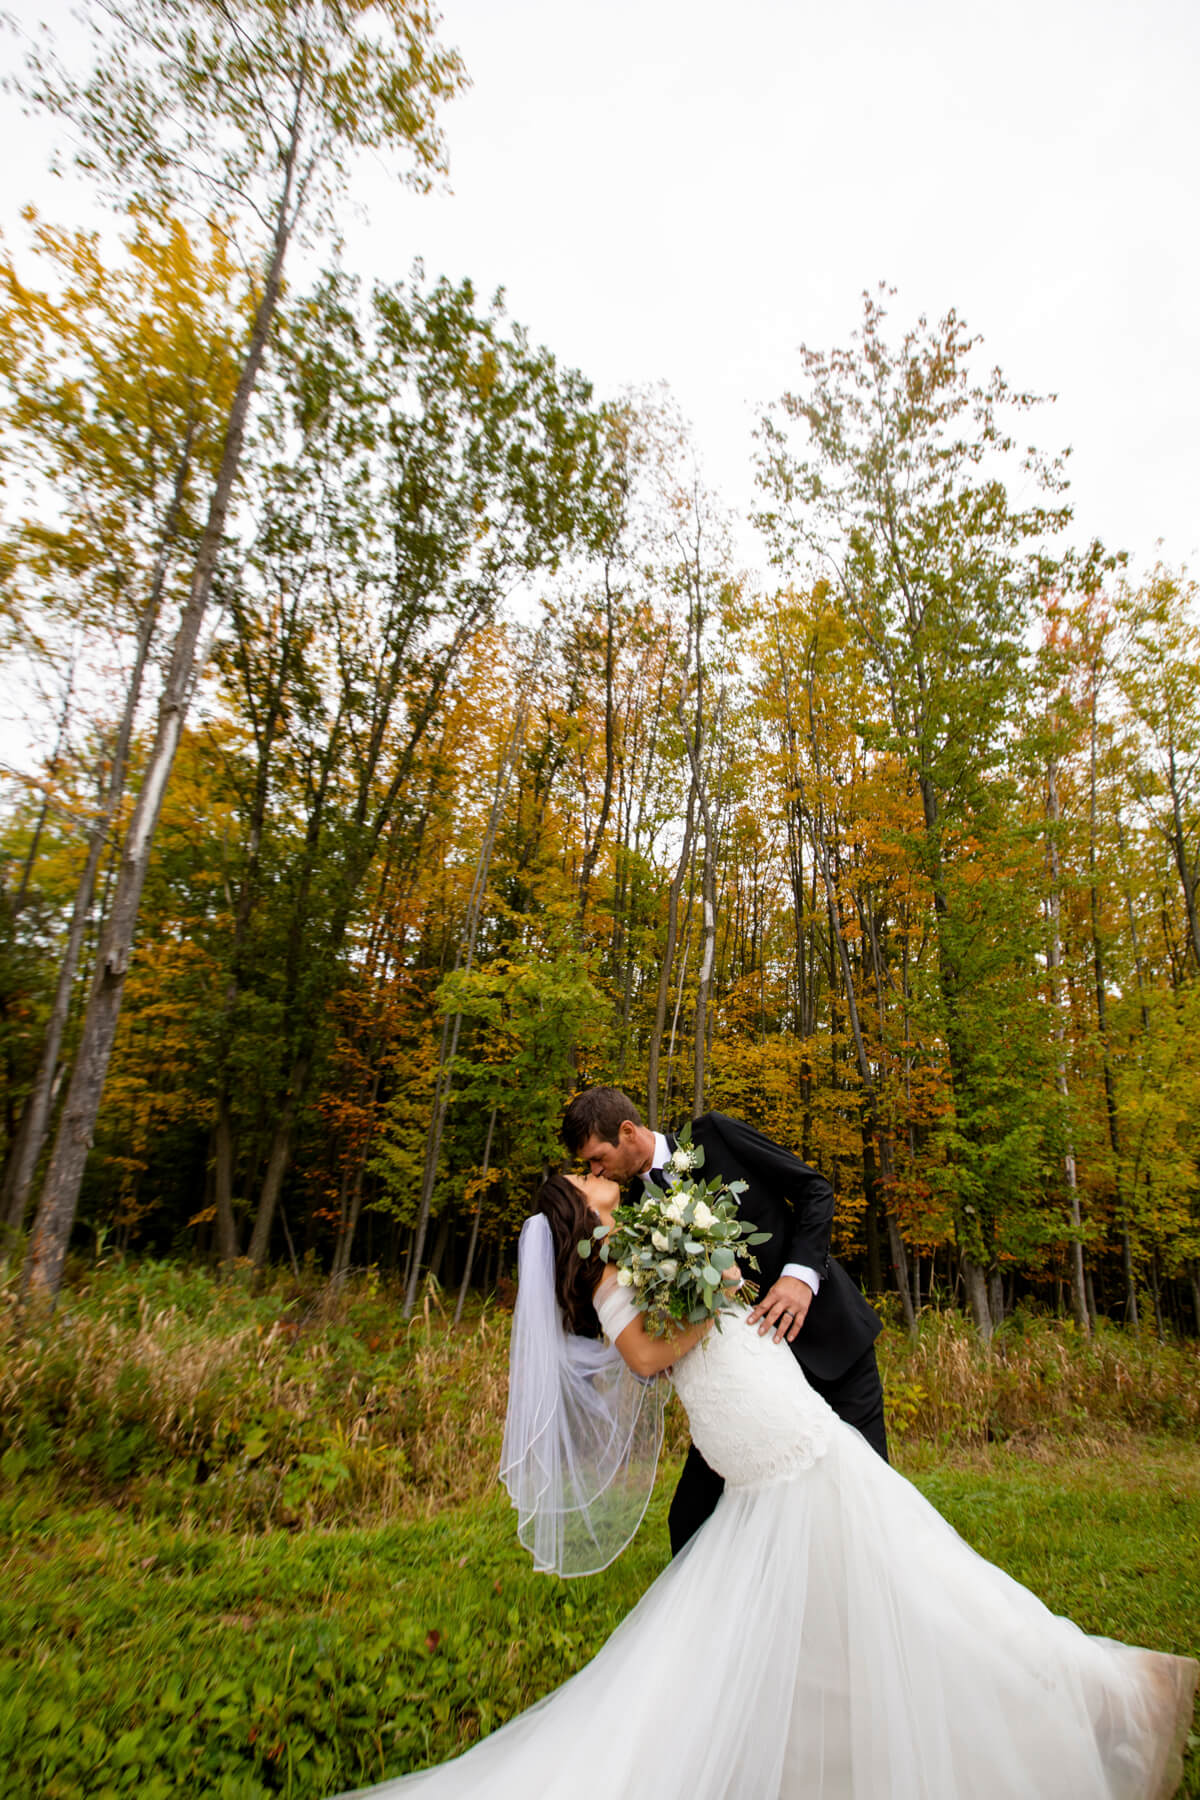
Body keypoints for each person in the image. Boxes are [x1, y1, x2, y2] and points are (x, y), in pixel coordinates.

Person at [330, 1170, 1197, 1800]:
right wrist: (714, 1300)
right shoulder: (602, 1278)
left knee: (872, 1569)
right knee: (907, 1566)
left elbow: (700, 1308)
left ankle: (874, 1733)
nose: (599, 1180)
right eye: (586, 1182)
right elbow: (644, 1357)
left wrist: (720, 1277)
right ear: (574, 1213)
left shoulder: (638, 1243)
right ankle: (1086, 1695)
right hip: (764, 1428)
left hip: (765, 1398)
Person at [561, 1085, 887, 1553]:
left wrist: (799, 1275)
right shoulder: (630, 1212)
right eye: (590, 1167)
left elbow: (814, 1189)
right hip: (745, 1377)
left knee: (867, 1495)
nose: (594, 1171)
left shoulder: (714, 1135)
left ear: (627, 1131)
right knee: (690, 1519)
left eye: (596, 1158)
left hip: (828, 1343)